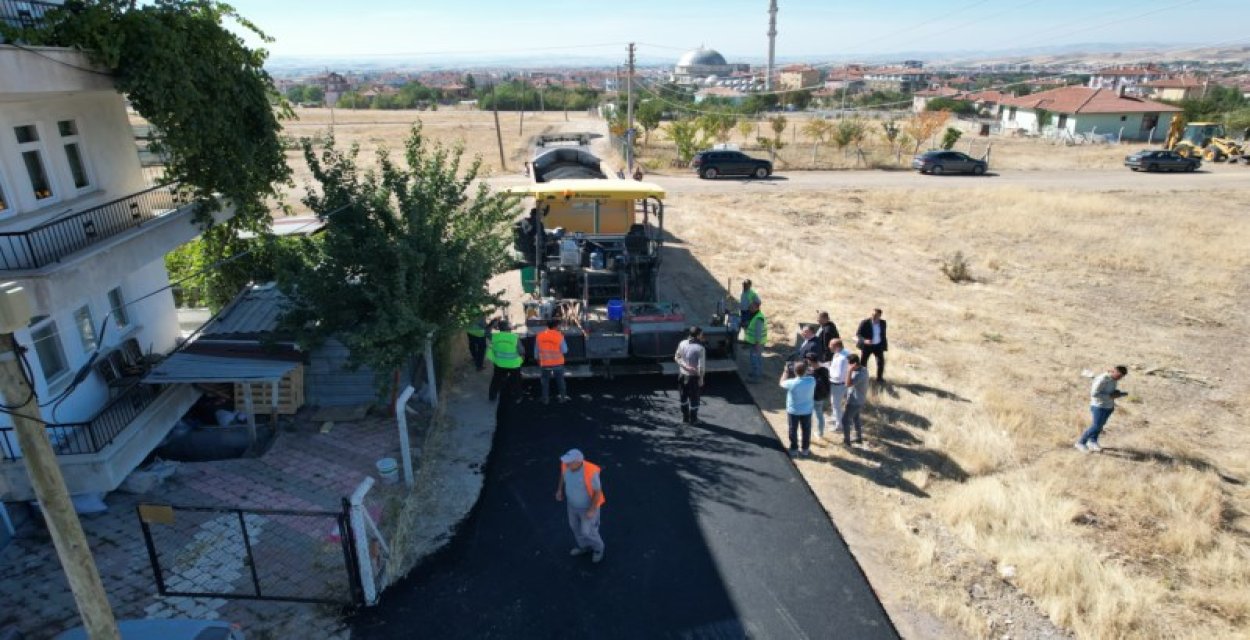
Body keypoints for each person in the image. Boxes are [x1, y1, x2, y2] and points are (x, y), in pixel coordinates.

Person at [556, 449, 605, 563]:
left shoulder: (590, 471)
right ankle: (584, 547)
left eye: (569, 462)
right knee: (575, 527)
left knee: (588, 532)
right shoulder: (566, 464)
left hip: (587, 508)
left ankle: (598, 549)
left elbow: (597, 491)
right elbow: (562, 475)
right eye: (566, 461)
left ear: (578, 461)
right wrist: (559, 490)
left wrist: (592, 509)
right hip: (572, 506)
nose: (566, 464)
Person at [1076, 366, 1129, 453]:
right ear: (1114, 371)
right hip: (1099, 406)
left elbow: (1108, 391)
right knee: (1096, 426)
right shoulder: (1102, 379)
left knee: (1100, 426)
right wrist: (1110, 396)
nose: (1119, 378)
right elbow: (1094, 394)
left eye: (1121, 377)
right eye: (1119, 376)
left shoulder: (1114, 379)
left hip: (1108, 406)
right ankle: (1080, 443)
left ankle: (1092, 441)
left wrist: (1117, 393)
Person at [780, 361, 816, 457]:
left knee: (793, 429)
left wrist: (786, 371)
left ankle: (794, 448)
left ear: (794, 372)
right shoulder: (812, 380)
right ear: (806, 371)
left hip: (793, 410)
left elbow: (781, 383)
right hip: (807, 410)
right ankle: (805, 449)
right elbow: (812, 372)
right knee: (806, 430)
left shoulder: (791, 383)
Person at [487, 320, 525, 404]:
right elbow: (521, 351)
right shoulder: (514, 337)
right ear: (508, 328)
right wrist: (522, 358)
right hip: (513, 364)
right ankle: (518, 397)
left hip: (499, 363)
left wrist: (492, 324)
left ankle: (492, 396)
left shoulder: (494, 336)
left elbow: (486, 332)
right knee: (516, 381)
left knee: (496, 380)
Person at [675, 326, 706, 425]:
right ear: (697, 335)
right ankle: (694, 419)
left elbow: (677, 357)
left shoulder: (682, 343)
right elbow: (701, 367)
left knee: (683, 397)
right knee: (694, 398)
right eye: (701, 334)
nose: (702, 336)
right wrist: (701, 379)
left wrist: (685, 366)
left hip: (682, 376)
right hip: (693, 378)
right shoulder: (700, 348)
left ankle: (685, 418)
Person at [536, 319, 570, 404]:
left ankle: (545, 399)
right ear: (555, 326)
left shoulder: (540, 335)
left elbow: (536, 351)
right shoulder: (559, 336)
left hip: (545, 363)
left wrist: (538, 359)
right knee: (560, 381)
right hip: (557, 363)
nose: (560, 326)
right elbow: (565, 350)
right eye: (559, 325)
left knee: (545, 382)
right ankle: (563, 398)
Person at [842, 354, 870, 445]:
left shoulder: (860, 374)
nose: (847, 366)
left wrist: (849, 371)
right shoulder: (862, 369)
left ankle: (847, 441)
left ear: (854, 364)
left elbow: (847, 384)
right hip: (857, 400)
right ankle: (858, 438)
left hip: (855, 402)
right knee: (856, 418)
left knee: (845, 420)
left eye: (848, 364)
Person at [855, 308, 888, 383]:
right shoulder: (865, 322)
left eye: (876, 315)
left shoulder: (883, 323)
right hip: (867, 346)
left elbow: (883, 334)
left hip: (878, 346)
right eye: (872, 314)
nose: (873, 316)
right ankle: (863, 378)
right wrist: (864, 340)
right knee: (863, 363)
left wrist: (883, 344)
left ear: (880, 316)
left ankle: (879, 378)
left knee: (881, 362)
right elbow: (858, 334)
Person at [827, 339, 852, 438]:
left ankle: (839, 425)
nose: (829, 347)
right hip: (838, 384)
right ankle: (836, 419)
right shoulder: (840, 354)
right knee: (835, 403)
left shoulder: (842, 358)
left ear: (836, 346)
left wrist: (828, 372)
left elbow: (838, 375)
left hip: (838, 384)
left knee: (836, 404)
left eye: (831, 345)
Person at [806, 354, 832, 440]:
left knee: (808, 416)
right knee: (819, 415)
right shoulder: (824, 369)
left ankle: (807, 433)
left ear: (810, 361)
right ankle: (820, 433)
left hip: (813, 397)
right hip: (822, 396)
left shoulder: (812, 374)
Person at [742, 300, 767, 382]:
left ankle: (756, 378)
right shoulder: (755, 315)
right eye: (749, 307)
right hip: (755, 343)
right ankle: (757, 373)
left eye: (751, 307)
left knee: (754, 359)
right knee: (758, 358)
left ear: (757, 307)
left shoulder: (759, 318)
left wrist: (757, 344)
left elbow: (758, 333)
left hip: (757, 343)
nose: (749, 308)